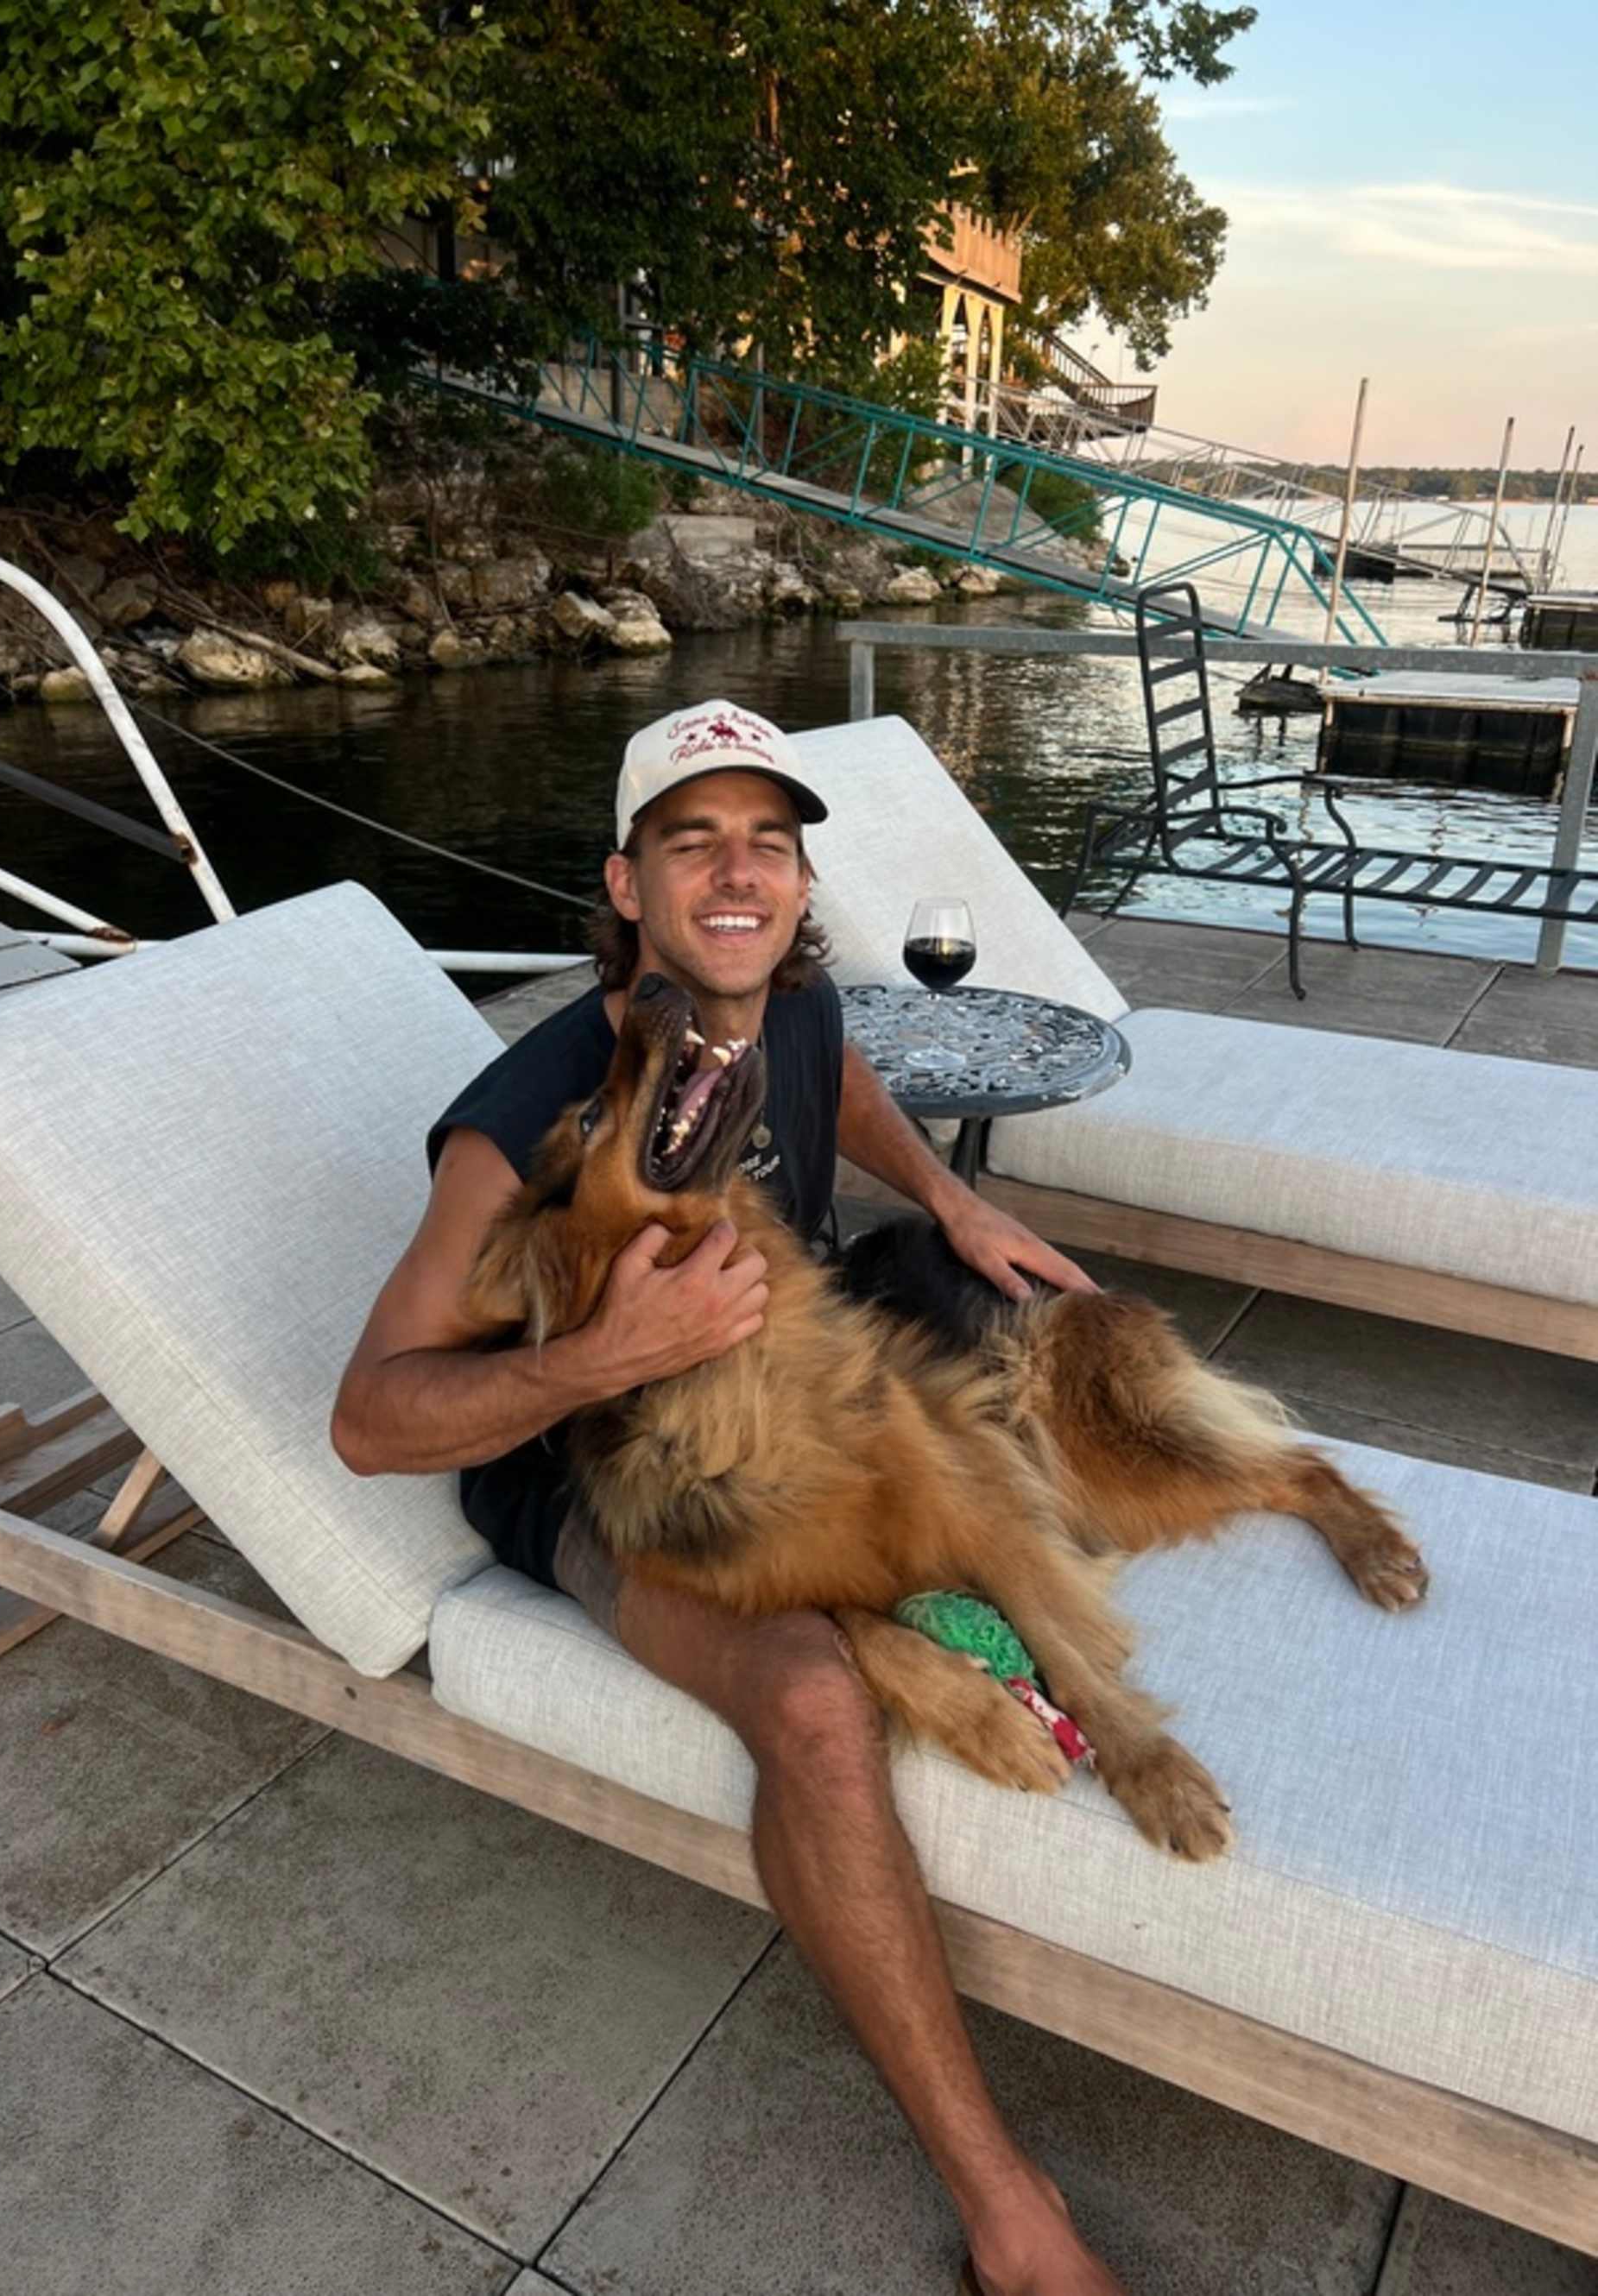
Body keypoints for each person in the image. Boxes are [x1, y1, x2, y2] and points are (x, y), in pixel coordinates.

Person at [332, 698, 1125, 2296]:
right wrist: (599, 1354)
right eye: (693, 844)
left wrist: (955, 1198)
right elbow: (371, 1418)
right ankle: (1011, 2215)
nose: (739, 873)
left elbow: (835, 1095)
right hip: (595, 1468)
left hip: (776, 1399)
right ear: (627, 886)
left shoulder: (795, 1012)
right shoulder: (531, 1121)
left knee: (1056, 1392)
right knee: (816, 1704)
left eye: (769, 840)